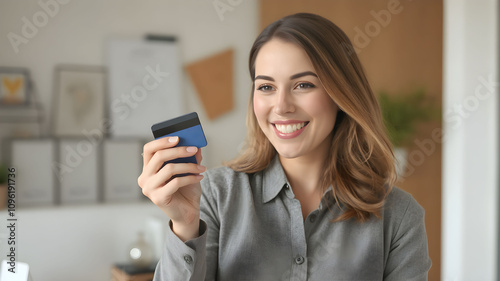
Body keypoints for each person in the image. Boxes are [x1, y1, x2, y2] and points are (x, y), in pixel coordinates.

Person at [138, 12, 432, 281]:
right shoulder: (215, 195)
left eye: (303, 85)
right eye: (266, 87)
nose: (281, 107)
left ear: (341, 93)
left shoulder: (398, 216)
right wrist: (186, 224)